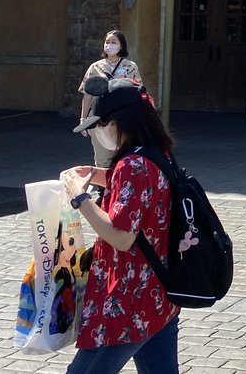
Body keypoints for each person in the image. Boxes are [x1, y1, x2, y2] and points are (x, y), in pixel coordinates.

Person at [64, 79, 179, 372]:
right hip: (158, 292)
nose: (98, 133)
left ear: (120, 122)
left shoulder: (132, 165)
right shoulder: (156, 152)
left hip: (126, 299)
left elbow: (121, 236)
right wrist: (95, 174)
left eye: (101, 125)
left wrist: (80, 198)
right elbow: (139, 191)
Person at [78, 30, 143, 167]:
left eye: (114, 42)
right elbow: (87, 94)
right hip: (100, 118)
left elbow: (138, 92)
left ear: (121, 46)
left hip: (123, 118)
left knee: (124, 158)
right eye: (107, 42)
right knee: (102, 159)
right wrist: (83, 118)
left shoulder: (130, 67)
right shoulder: (95, 67)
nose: (109, 45)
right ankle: (103, 180)